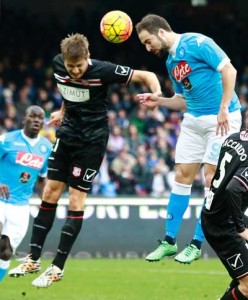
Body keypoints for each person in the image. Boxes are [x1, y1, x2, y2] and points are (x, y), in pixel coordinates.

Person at [8, 33, 162, 287]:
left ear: (88, 57)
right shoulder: (59, 64)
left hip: (91, 141)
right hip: (67, 134)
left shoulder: (103, 70)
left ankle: (57, 267)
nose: (76, 71)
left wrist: (155, 94)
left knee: (76, 199)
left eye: (79, 66)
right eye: (71, 67)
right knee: (49, 192)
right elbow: (72, 92)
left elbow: (148, 76)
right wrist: (62, 111)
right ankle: (33, 258)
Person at [135, 14, 242, 264]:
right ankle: (169, 242)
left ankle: (196, 244)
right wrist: (159, 101)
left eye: (148, 41)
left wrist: (224, 107)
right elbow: (182, 100)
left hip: (221, 119)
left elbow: (229, 69)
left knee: (210, 179)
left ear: (160, 32)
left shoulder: (198, 43)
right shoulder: (172, 62)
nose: (148, 48)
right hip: (193, 121)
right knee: (182, 176)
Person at [0, 105, 52, 282]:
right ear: (24, 119)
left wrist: (45, 201)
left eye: (40, 118)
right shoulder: (6, 140)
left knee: (5, 252)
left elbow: (42, 178)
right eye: (33, 116)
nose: (37, 120)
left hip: (20, 205)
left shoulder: (46, 148)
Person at [201, 126, 248, 300]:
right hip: (222, 225)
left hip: (216, 212)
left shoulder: (233, 138)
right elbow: (233, 188)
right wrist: (240, 227)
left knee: (243, 277)